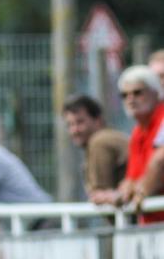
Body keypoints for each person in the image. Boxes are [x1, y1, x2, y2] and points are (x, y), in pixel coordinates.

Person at [94, 66, 164, 225]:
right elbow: (131, 179)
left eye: (137, 92)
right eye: (124, 95)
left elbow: (160, 161)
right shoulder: (137, 133)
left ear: (156, 92)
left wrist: (139, 190)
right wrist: (119, 194)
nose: (130, 99)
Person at [62, 94, 128, 204]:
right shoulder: (109, 136)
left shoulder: (99, 142)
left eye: (80, 122)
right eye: (70, 125)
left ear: (98, 120)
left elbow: (100, 195)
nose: (74, 130)